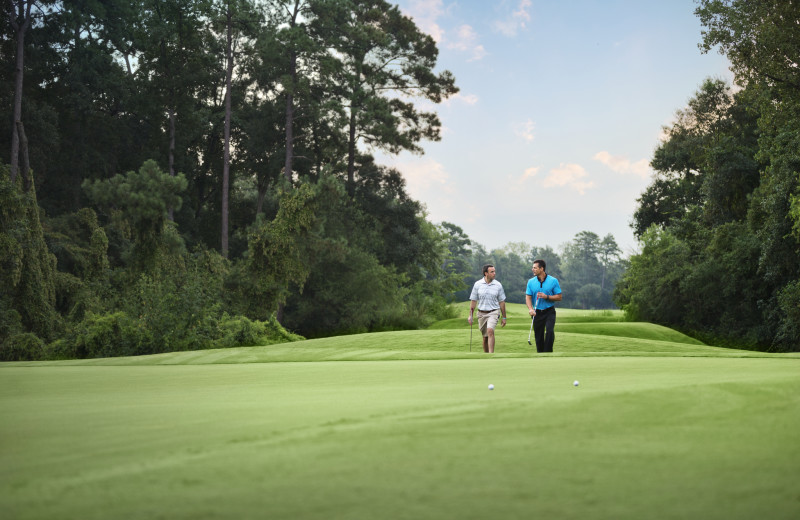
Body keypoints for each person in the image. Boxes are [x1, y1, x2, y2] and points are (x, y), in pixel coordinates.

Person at [468, 264, 507, 353]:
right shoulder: (477, 284)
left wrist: (504, 317)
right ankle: (486, 356)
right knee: (485, 337)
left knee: (490, 331)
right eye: (492, 272)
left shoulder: (498, 285)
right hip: (481, 313)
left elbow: (502, 302)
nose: (494, 273)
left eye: (494, 271)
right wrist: (470, 315)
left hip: (493, 312)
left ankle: (491, 355)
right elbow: (473, 301)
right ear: (486, 273)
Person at [526, 259, 562, 353]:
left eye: (535, 268)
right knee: (538, 336)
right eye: (532, 268)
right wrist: (530, 309)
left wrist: (547, 297)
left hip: (549, 311)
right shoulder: (530, 282)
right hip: (537, 312)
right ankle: (540, 354)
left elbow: (559, 297)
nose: (532, 269)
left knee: (549, 331)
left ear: (542, 268)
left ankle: (548, 352)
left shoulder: (553, 281)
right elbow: (528, 297)